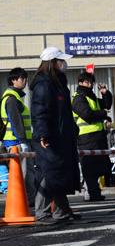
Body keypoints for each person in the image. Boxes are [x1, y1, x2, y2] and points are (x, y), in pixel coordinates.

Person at [30, 47, 81, 223]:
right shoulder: (44, 83)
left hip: (60, 136)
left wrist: (72, 128)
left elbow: (63, 112)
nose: (64, 64)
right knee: (48, 173)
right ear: (53, 62)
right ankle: (42, 212)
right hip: (49, 137)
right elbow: (40, 111)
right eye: (61, 60)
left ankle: (62, 210)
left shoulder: (57, 82)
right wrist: (43, 134)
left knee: (59, 173)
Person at [72, 72, 113, 201]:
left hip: (97, 136)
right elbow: (87, 115)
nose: (89, 84)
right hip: (86, 138)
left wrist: (105, 93)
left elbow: (106, 105)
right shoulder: (78, 97)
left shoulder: (92, 97)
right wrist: (103, 114)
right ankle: (91, 192)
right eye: (86, 82)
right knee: (90, 168)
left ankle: (95, 192)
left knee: (99, 167)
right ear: (80, 82)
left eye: (91, 82)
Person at [1, 67, 36, 204]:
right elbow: (16, 122)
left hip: (16, 141)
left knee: (24, 173)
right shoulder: (11, 99)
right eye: (22, 78)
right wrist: (23, 141)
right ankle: (26, 201)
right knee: (24, 173)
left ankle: (26, 201)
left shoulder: (14, 98)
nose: (25, 81)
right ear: (13, 80)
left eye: (25, 78)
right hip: (17, 142)